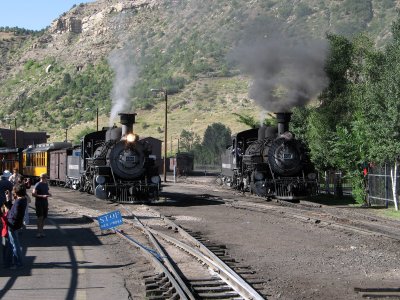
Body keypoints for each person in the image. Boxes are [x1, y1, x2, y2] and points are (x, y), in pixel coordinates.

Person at [6, 184, 27, 269]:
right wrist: (8, 200)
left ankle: (18, 263)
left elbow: (13, 213)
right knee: (14, 243)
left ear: (16, 192)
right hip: (16, 224)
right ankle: (15, 261)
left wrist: (7, 218)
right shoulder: (23, 199)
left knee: (15, 244)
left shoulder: (18, 202)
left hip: (13, 225)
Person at [32, 173, 51, 238]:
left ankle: (42, 231)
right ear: (42, 178)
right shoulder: (38, 184)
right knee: (40, 217)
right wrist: (42, 196)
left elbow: (46, 192)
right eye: (46, 177)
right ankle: (38, 232)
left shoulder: (46, 184)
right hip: (39, 203)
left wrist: (48, 194)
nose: (47, 179)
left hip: (45, 203)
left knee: (44, 217)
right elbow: (33, 194)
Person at [1, 202, 11, 268]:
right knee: (7, 249)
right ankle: (7, 263)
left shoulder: (5, 215)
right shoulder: (5, 215)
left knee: (5, 249)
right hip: (5, 233)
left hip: (4, 233)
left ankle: (5, 262)